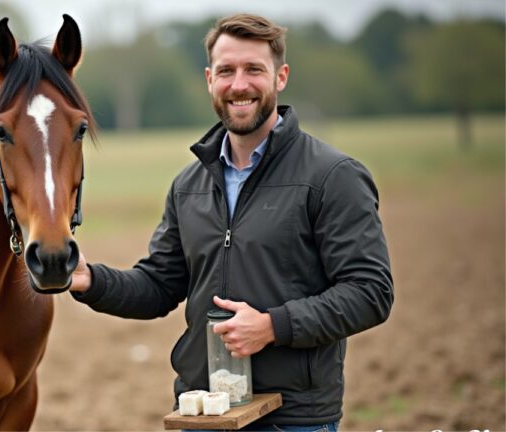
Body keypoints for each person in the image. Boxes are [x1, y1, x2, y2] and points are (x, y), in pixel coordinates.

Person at [69, 13, 393, 431]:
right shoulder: (188, 185)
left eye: (254, 69)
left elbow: (371, 291)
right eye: (226, 71)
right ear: (209, 79)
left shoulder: (333, 177)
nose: (239, 84)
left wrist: (273, 326)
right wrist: (89, 279)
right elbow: (159, 286)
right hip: (203, 414)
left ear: (280, 77)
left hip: (292, 419)